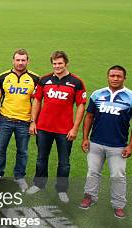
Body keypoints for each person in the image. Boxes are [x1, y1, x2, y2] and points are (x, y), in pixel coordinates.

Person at [80, 65, 132, 218]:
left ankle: (119, 205)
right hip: (96, 143)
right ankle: (89, 197)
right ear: (107, 77)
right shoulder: (97, 94)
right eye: (112, 76)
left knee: (117, 176)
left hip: (118, 146)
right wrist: (85, 138)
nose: (115, 79)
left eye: (118, 76)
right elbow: (89, 116)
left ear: (124, 78)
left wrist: (131, 145)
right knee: (93, 172)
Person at [27, 51, 86, 203]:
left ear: (66, 63)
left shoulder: (76, 82)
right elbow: (37, 101)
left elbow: (81, 106)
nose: (57, 66)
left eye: (60, 63)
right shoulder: (44, 80)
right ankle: (39, 184)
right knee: (41, 159)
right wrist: (33, 121)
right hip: (44, 128)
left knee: (64, 162)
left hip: (64, 130)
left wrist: (75, 128)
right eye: (54, 63)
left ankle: (61, 189)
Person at [0, 49, 39, 192]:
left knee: (22, 151)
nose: (20, 63)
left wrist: (33, 121)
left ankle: (19, 177)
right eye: (18, 60)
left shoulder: (35, 79)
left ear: (28, 61)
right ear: (13, 60)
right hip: (5, 120)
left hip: (24, 122)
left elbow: (37, 102)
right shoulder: (4, 77)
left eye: (23, 60)